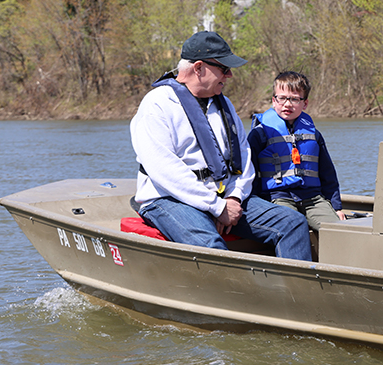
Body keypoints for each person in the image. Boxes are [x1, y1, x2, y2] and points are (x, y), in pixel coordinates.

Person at [130, 31, 314, 261]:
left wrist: (234, 198)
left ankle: (295, 294)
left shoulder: (223, 103)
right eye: (223, 69)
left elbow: (244, 157)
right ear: (198, 68)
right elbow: (164, 170)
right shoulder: (156, 104)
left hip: (223, 197)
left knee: (292, 223)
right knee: (211, 246)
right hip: (168, 199)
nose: (229, 75)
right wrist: (216, 207)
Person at [247, 71, 346, 232]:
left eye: (294, 99)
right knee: (293, 225)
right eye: (282, 98)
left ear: (305, 103)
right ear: (274, 101)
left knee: (337, 230)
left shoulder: (314, 134)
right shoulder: (259, 134)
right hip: (277, 197)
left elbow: (328, 174)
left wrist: (336, 207)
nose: (287, 104)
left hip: (312, 197)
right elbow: (249, 173)